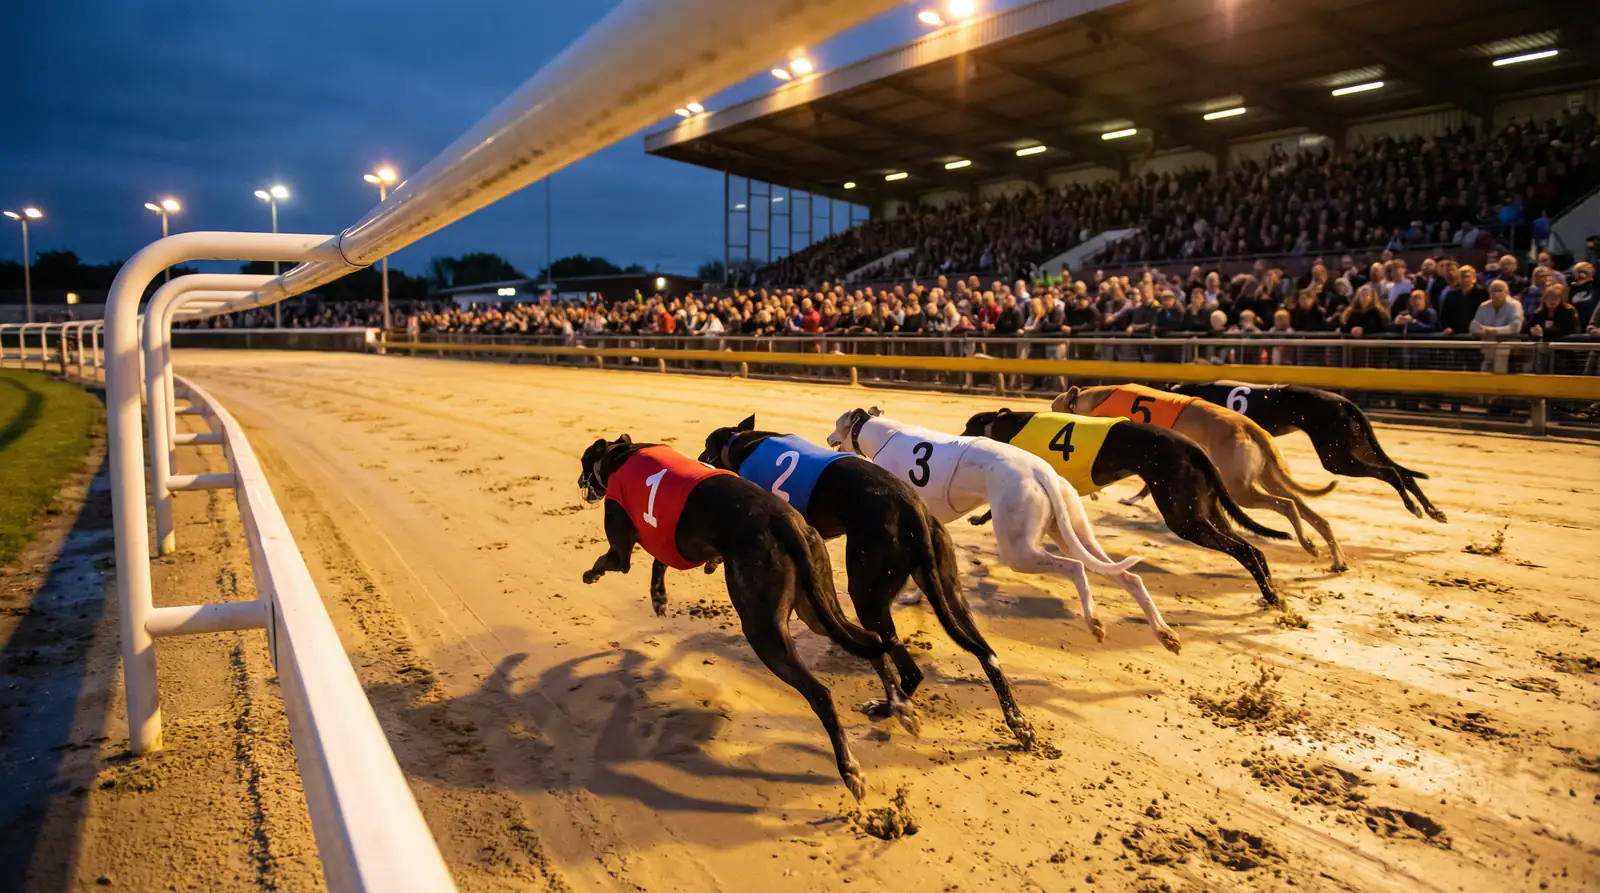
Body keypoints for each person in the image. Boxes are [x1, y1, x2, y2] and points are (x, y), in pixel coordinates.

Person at [1438, 264, 1487, 336]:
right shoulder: (1451, 295)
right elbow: (1444, 315)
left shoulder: (1482, 293)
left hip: (1476, 334)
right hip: (1455, 335)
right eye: (1461, 277)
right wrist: (1446, 327)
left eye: (1467, 276)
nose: (1464, 279)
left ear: (1474, 277)